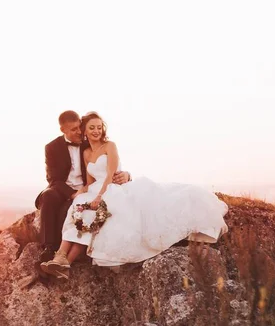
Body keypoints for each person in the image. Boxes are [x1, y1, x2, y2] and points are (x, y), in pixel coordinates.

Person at [40, 112, 228, 279]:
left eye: (98, 127)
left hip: (108, 188)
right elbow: (74, 181)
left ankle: (65, 262)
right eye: (90, 128)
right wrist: (81, 194)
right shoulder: (81, 150)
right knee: (78, 209)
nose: (92, 131)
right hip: (84, 189)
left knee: (91, 213)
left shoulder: (108, 145)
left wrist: (124, 177)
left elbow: (112, 172)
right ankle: (57, 256)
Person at [35, 110, 131, 280]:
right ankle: (48, 249)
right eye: (74, 130)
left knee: (78, 213)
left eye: (79, 128)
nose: (79, 132)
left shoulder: (89, 144)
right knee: (49, 197)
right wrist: (73, 194)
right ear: (63, 130)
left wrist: (127, 175)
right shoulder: (52, 147)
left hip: (96, 189)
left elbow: (111, 170)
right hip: (65, 188)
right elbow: (53, 178)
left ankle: (64, 259)